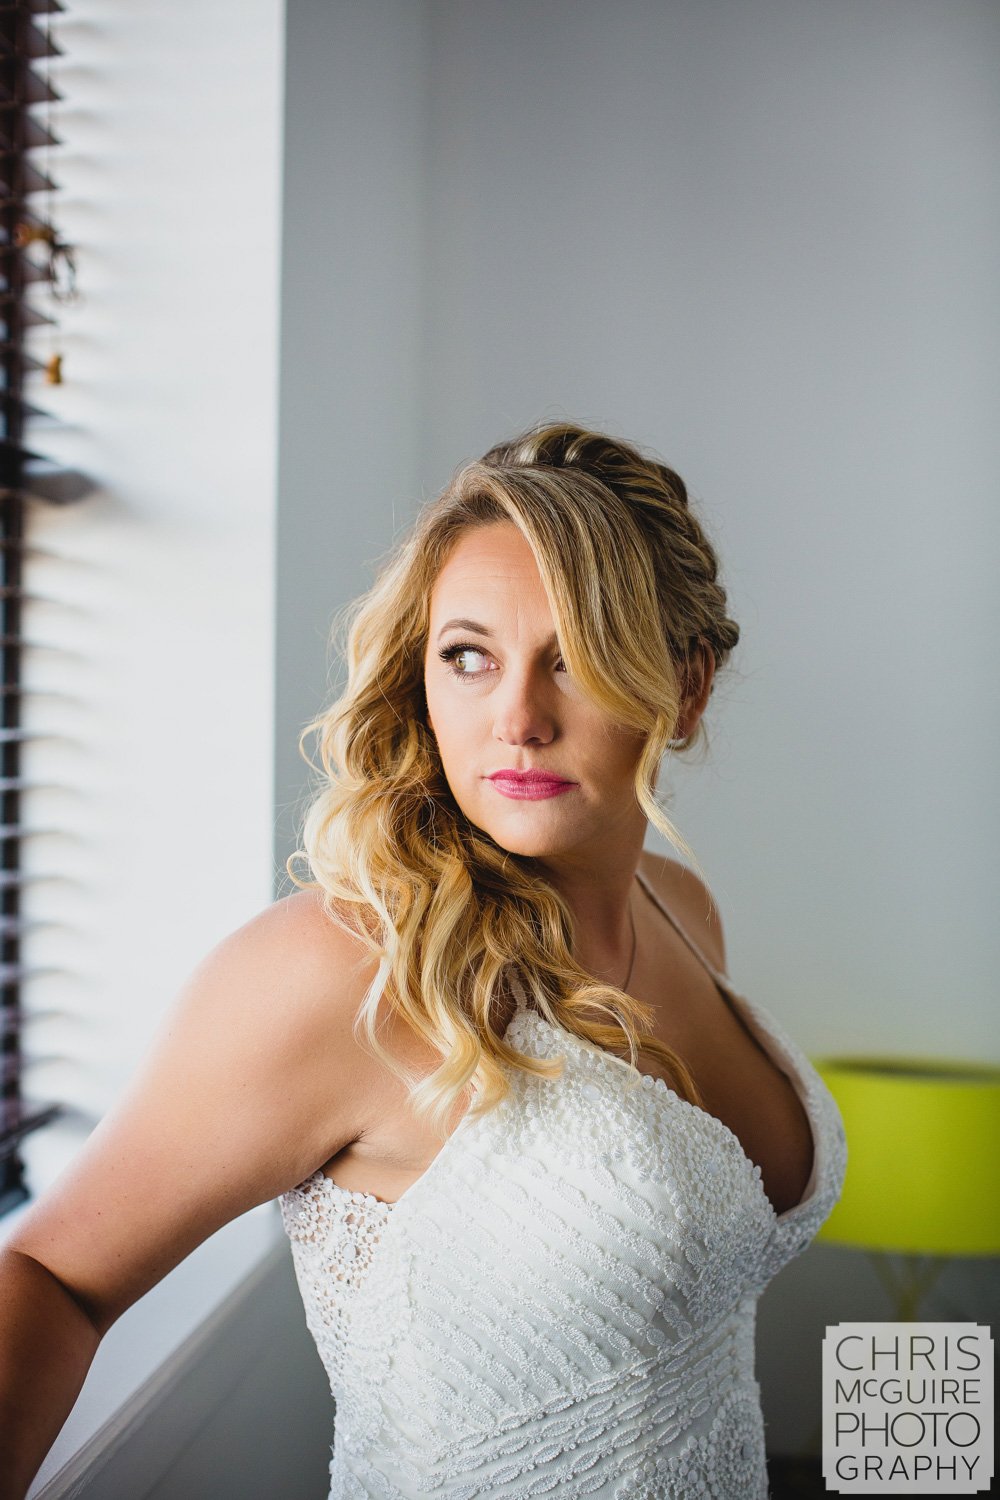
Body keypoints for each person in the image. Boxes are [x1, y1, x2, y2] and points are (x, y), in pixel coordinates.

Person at [0, 420, 846, 1499]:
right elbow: (50, 1272)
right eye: (469, 656)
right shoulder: (347, 971)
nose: (519, 719)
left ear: (685, 689)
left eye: (576, 657)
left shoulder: (679, 911)